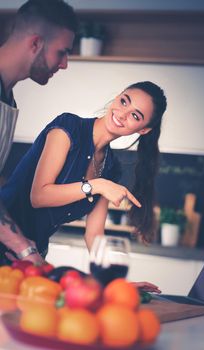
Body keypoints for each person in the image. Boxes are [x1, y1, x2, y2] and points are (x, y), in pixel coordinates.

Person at [0, 81, 167, 269]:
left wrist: (112, 281)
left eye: (135, 115)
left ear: (143, 130)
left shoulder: (111, 168)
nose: (122, 114)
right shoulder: (68, 127)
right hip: (6, 240)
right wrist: (97, 185)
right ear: (117, 96)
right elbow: (38, 196)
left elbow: (94, 235)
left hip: (32, 255)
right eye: (124, 101)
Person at [0, 0, 77, 264]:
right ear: (35, 44)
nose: (65, 64)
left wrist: (25, 246)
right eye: (61, 52)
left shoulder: (7, 96)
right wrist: (24, 248)